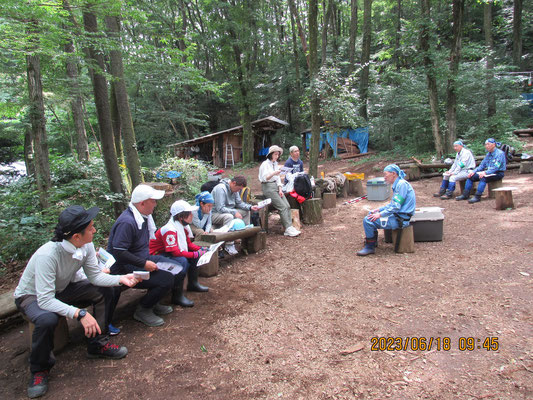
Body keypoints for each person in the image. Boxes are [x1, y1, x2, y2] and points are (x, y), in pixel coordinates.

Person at [14, 205, 140, 399]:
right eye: (91, 228)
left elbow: (95, 277)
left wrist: (120, 278)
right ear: (76, 237)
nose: (95, 230)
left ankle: (98, 344)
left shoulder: (86, 245)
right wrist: (79, 313)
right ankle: (39, 369)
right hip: (33, 296)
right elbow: (46, 299)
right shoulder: (47, 255)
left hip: (62, 289)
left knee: (106, 290)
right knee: (47, 319)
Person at [107, 184, 183, 327]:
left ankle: (154, 301)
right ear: (142, 203)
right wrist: (144, 264)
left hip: (141, 259)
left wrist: (146, 261)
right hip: (124, 266)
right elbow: (119, 252)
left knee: (176, 268)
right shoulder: (127, 222)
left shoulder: (143, 217)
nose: (155, 204)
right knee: (165, 279)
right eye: (153, 201)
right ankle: (143, 309)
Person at [149, 200, 209, 308]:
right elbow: (175, 252)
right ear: (181, 216)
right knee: (182, 261)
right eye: (189, 213)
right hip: (157, 255)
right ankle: (177, 294)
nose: (192, 215)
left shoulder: (183, 227)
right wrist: (195, 254)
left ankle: (193, 283)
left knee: (193, 254)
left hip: (167, 253)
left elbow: (188, 244)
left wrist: (201, 249)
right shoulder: (170, 230)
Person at [357, 164, 416, 256]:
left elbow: (396, 206)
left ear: (393, 174)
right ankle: (373, 241)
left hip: (400, 219)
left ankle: (370, 247)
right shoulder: (399, 184)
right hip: (398, 216)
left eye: (386, 174)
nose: (384, 177)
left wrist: (380, 214)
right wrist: (379, 210)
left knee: (368, 220)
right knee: (371, 214)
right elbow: (393, 204)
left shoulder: (401, 185)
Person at [259, 145, 301, 237]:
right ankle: (288, 228)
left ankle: (289, 227)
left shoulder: (275, 164)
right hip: (268, 187)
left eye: (278, 155)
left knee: (287, 205)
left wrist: (280, 189)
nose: (277, 156)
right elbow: (264, 178)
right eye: (275, 154)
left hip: (276, 186)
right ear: (270, 154)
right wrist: (275, 172)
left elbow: (278, 178)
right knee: (282, 207)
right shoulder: (265, 164)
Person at [211, 175, 260, 253]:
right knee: (229, 216)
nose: (238, 191)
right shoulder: (221, 189)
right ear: (234, 183)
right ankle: (229, 244)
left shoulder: (234, 190)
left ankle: (244, 235)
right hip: (215, 214)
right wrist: (234, 212)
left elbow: (239, 203)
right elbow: (220, 208)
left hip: (228, 211)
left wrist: (250, 207)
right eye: (238, 189)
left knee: (246, 211)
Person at [455, 138, 507, 203]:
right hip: (489, 172)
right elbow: (482, 165)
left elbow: (495, 167)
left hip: (498, 173)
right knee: (471, 176)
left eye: (488, 144)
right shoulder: (488, 154)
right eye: (485, 144)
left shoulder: (499, 154)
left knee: (483, 178)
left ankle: (477, 196)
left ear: (494, 145)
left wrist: (485, 172)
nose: (486, 146)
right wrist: (473, 172)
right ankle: (465, 194)